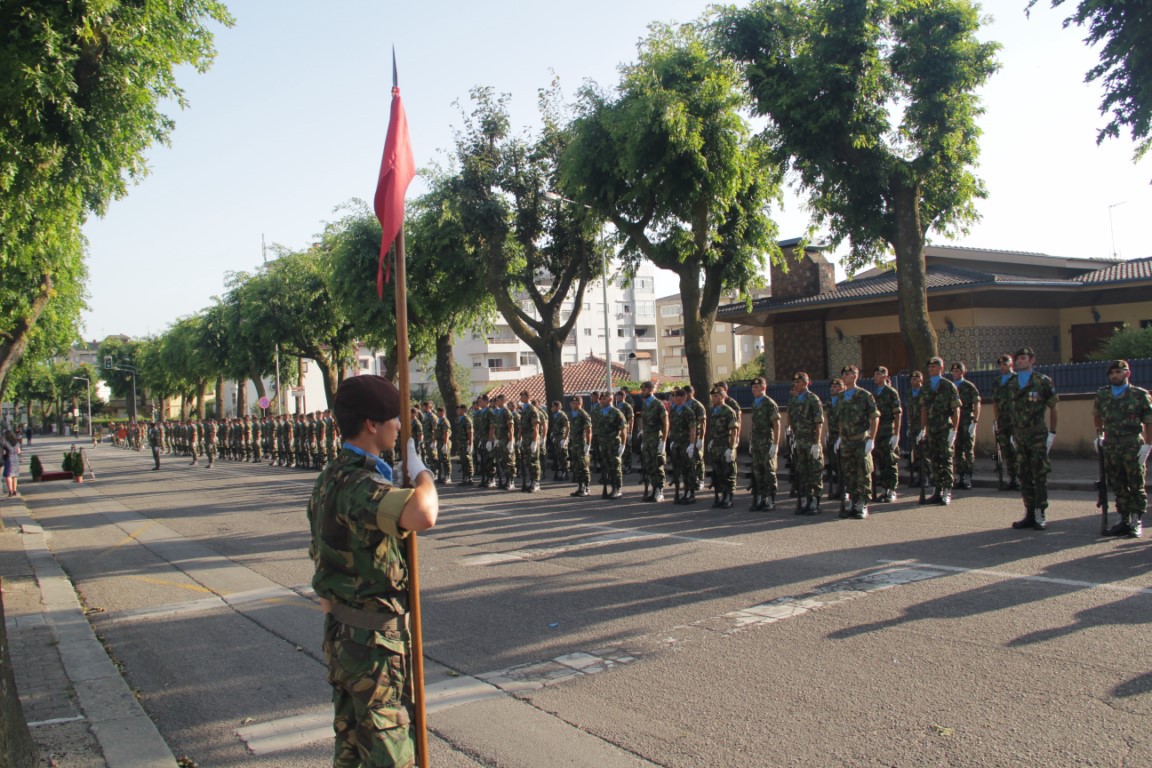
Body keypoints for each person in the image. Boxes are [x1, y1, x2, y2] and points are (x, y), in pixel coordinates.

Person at [307, 374, 439, 767]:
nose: (399, 427)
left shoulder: (330, 476)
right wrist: (421, 474)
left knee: (351, 746)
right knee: (387, 751)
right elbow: (424, 513)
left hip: (343, 635)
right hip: (374, 644)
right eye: (393, 419)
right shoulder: (358, 482)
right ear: (371, 424)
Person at [1094, 359, 1152, 538]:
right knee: (1117, 483)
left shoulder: (1139, 395)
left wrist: (1148, 444)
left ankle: (1136, 521)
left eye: (1118, 372)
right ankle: (1124, 519)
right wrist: (1099, 435)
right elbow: (1097, 415)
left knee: (1135, 483)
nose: (1114, 376)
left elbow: (1149, 421)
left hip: (1132, 444)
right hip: (1111, 445)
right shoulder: (1103, 394)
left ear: (1127, 373)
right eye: (1111, 373)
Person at [1007, 346, 1059, 531]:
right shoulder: (1012, 383)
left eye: (1023, 358)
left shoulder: (1042, 381)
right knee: (1024, 474)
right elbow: (1009, 410)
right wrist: (1011, 433)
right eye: (1018, 358)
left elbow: (1053, 407)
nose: (1020, 361)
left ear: (1032, 360)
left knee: (1039, 475)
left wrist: (1052, 433)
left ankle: (1040, 513)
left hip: (1037, 435)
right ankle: (1029, 512)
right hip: (1019, 435)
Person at [836, 366, 879, 519]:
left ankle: (863, 503)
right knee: (849, 473)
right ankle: (853, 502)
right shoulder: (841, 397)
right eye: (844, 374)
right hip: (847, 441)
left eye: (849, 374)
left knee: (863, 473)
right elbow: (840, 419)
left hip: (860, 440)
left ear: (856, 376)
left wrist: (872, 439)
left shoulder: (864, 395)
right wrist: (840, 437)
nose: (846, 376)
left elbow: (874, 417)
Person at [919, 356, 960, 506]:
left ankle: (947, 490)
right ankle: (937, 490)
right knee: (934, 460)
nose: (931, 369)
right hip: (932, 429)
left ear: (941, 368)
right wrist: (922, 429)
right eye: (930, 367)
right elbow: (923, 408)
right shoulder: (926, 386)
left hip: (944, 428)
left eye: (934, 367)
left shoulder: (948, 386)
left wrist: (954, 430)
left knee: (946, 459)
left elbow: (956, 409)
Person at [785, 372, 825, 515]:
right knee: (803, 472)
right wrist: (790, 432)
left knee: (814, 472)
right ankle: (807, 499)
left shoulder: (813, 399)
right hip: (799, 441)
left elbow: (819, 422)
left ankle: (815, 501)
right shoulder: (795, 401)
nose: (796, 384)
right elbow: (791, 419)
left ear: (806, 383)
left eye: (799, 381)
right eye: (795, 382)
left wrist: (816, 442)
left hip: (811, 441)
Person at [748, 377, 781, 511]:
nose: (754, 390)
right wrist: (751, 441)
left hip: (767, 442)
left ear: (763, 388)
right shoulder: (755, 403)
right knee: (758, 471)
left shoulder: (769, 403)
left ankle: (771, 499)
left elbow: (776, 424)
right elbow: (754, 425)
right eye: (753, 388)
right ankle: (761, 498)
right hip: (756, 442)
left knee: (769, 471)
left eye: (756, 387)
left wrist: (775, 444)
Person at [871, 367, 902, 503]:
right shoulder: (873, 394)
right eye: (875, 374)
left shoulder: (891, 392)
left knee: (890, 460)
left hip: (888, 430)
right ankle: (884, 488)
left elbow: (897, 414)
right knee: (881, 461)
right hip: (878, 432)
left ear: (885, 376)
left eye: (878, 374)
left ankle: (891, 489)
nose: (875, 377)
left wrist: (896, 434)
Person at [707, 386, 740, 509]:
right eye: (713, 396)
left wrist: (731, 448)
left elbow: (733, 431)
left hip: (726, 446)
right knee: (718, 473)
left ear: (722, 397)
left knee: (728, 473)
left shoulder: (728, 411)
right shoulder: (714, 411)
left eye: (716, 396)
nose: (714, 398)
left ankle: (729, 497)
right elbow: (714, 430)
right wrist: (711, 441)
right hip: (716, 447)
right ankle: (721, 496)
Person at [950, 361, 981, 490]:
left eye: (958, 371)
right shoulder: (950, 386)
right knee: (957, 450)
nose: (955, 373)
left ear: (963, 372)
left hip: (967, 421)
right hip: (955, 422)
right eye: (953, 371)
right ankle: (960, 476)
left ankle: (968, 476)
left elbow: (977, 403)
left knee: (968, 450)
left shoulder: (968, 386)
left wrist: (975, 421)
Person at [991, 354, 1020, 490]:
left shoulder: (1017, 379)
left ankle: (1021, 478)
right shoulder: (997, 381)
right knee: (1006, 450)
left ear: (1011, 364)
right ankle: (1012, 478)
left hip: (1016, 420)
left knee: (1017, 449)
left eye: (1005, 364)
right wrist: (996, 420)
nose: (1003, 367)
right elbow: (995, 402)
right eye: (1001, 365)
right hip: (1002, 420)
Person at [637, 381, 669, 502]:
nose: (642, 392)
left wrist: (664, 441)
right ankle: (654, 488)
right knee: (650, 465)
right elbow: (644, 422)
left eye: (644, 390)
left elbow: (665, 423)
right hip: (647, 439)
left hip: (656, 438)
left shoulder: (658, 404)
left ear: (651, 390)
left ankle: (660, 491)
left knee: (658, 465)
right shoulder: (645, 404)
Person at [594, 391, 628, 499]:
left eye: (605, 398)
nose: (602, 400)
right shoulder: (599, 412)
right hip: (604, 443)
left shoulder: (617, 413)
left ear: (611, 399)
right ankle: (612, 487)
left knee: (615, 467)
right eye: (602, 398)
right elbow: (598, 428)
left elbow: (623, 430)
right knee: (607, 467)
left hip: (614, 443)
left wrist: (622, 444)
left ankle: (617, 489)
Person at [668, 388, 699, 504]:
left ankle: (690, 493)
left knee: (688, 470)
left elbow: (692, 429)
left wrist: (692, 444)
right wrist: (671, 440)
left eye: (678, 397)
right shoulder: (674, 410)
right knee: (677, 469)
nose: (676, 399)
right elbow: (672, 427)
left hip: (686, 444)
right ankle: (680, 493)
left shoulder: (688, 411)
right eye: (674, 397)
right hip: (676, 444)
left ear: (684, 398)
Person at [568, 395, 593, 497]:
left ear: (580, 403)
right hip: (575, 443)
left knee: (584, 466)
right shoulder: (573, 414)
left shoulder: (584, 415)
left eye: (574, 403)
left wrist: (588, 444)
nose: (572, 404)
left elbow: (589, 430)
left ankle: (586, 487)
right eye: (571, 402)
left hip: (582, 443)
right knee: (577, 466)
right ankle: (580, 487)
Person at [2, 430, 21, 497]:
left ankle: (10, 491)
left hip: (9, 459)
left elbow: (4, 452)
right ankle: (15, 490)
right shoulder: (17, 442)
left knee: (8, 475)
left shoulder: (5, 443)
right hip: (16, 459)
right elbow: (19, 451)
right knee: (15, 475)